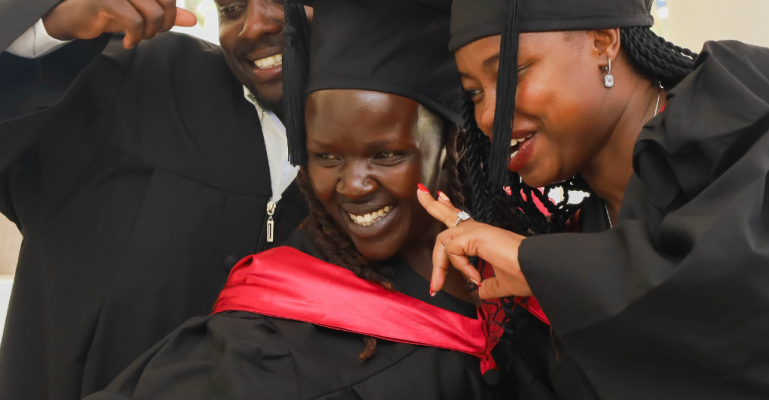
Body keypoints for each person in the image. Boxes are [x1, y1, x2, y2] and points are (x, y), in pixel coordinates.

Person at [80, 1, 517, 398]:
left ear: (451, 148)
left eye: (386, 154)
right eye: (326, 156)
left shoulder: (524, 255)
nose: (354, 185)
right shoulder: (268, 345)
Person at [418, 0, 769, 399]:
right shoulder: (575, 234)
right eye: (475, 93)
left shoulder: (740, 105)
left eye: (512, 72)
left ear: (603, 42)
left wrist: (540, 265)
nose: (487, 117)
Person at [0, 1, 310, 398]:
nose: (250, 28)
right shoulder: (128, 82)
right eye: (231, 7)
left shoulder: (393, 164)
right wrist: (51, 27)